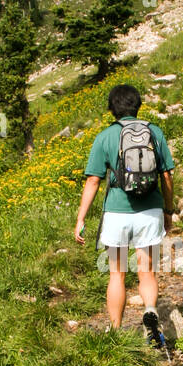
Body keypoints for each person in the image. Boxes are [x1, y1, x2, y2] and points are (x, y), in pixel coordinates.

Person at [74, 83, 175, 344]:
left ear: (112, 109)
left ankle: (117, 332)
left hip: (117, 214)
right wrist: (168, 210)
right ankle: (150, 310)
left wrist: (81, 218)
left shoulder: (105, 136)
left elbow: (93, 182)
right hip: (150, 210)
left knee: (117, 274)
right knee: (146, 271)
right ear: (138, 105)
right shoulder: (154, 131)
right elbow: (166, 175)